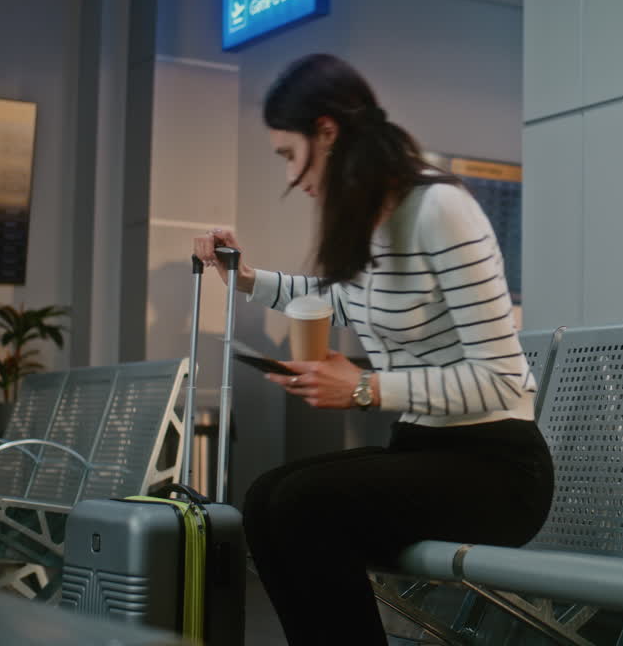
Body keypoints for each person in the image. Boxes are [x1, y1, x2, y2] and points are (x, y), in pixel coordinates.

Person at [192, 54, 554, 645]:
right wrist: (245, 277)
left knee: (300, 508)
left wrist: (364, 388)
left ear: (327, 133)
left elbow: (500, 378)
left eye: (289, 153)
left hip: (497, 468)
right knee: (265, 499)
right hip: (425, 450)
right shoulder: (369, 222)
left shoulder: (440, 210)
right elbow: (333, 300)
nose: (290, 175)